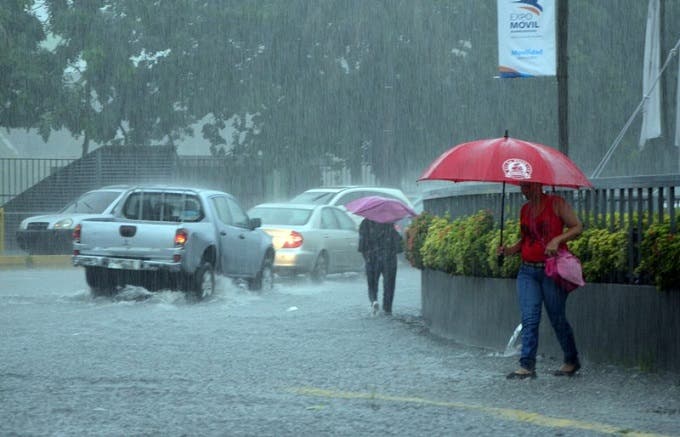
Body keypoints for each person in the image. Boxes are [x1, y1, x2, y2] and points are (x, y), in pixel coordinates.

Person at [498, 182, 584, 379]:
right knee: (529, 318)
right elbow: (526, 240)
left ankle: (571, 360)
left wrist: (557, 240)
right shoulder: (525, 210)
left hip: (551, 270)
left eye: (527, 186)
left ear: (538, 185)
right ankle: (526, 365)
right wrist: (509, 250)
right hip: (527, 271)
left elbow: (577, 227)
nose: (523, 191)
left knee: (557, 319)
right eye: (522, 186)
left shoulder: (556, 204)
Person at [358, 218, 403, 316]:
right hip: (389, 259)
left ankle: (374, 300)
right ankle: (387, 309)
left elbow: (361, 246)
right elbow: (399, 245)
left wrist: (367, 259)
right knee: (389, 285)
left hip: (372, 258)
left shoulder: (365, 223)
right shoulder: (391, 224)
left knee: (372, 284)